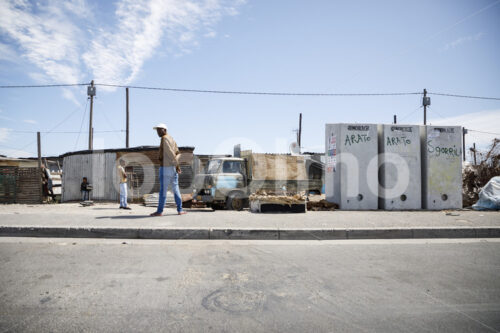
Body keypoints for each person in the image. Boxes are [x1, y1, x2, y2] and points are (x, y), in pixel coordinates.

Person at [150, 123, 186, 217]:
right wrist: (177, 166)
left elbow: (170, 152)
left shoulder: (164, 138)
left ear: (164, 130)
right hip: (173, 168)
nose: (157, 132)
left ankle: (159, 211)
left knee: (163, 190)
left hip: (165, 168)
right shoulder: (172, 139)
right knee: (176, 189)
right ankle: (180, 209)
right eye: (157, 130)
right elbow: (178, 153)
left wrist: (175, 164)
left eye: (159, 130)